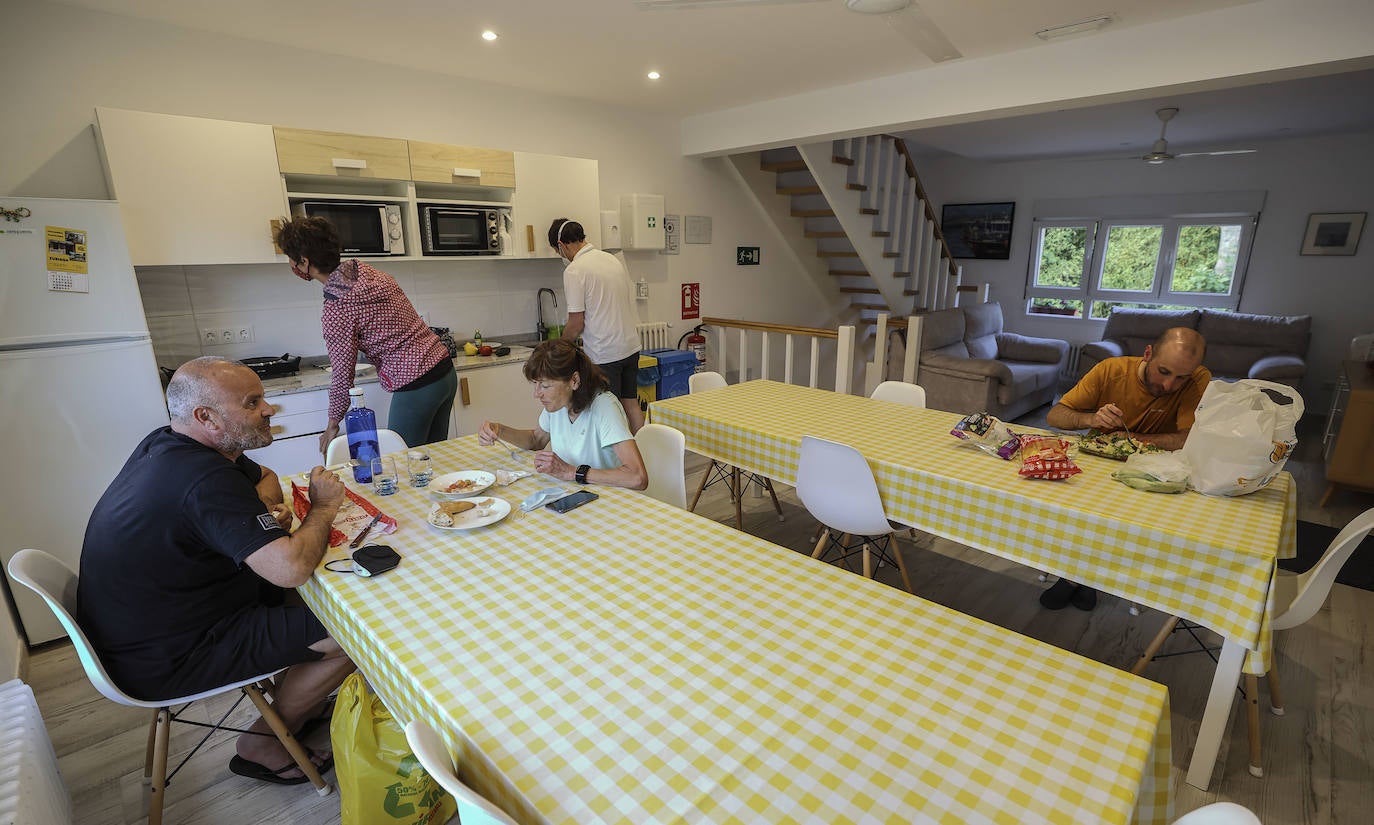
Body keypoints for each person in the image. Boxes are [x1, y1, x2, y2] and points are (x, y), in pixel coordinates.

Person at [78, 356, 356, 784]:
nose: (269, 409)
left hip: (157, 623)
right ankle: (264, 741)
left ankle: (300, 704)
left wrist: (258, 515)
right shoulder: (204, 479)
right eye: (252, 402)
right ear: (205, 416)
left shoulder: (172, 443)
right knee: (355, 630)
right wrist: (323, 508)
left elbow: (263, 477)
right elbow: (293, 568)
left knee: (318, 599)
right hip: (169, 655)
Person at [1039, 326, 1210, 611]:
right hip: (1100, 461)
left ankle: (1075, 579)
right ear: (1147, 355)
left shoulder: (1198, 379)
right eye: (1164, 371)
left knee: (1135, 516)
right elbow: (1055, 415)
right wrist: (1092, 418)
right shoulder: (1110, 370)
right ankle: (1086, 578)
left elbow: (1189, 438)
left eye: (1181, 377)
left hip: (1156, 470)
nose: (1169, 385)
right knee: (1085, 510)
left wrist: (1135, 439)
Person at [274, 216, 456, 452]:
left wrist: (332, 425)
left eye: (290, 257)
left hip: (416, 384)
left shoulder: (337, 307)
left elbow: (342, 374)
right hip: (444, 372)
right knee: (433, 458)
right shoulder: (367, 272)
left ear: (304, 261)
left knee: (400, 462)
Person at [477, 339, 648, 490]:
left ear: (574, 381)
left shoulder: (604, 406)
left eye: (545, 386)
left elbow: (637, 477)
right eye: (536, 384)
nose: (536, 394)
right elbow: (536, 440)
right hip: (574, 494)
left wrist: (572, 472)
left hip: (608, 500)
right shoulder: (558, 404)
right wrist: (499, 430)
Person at [549, 218, 645, 433]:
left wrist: (559, 348)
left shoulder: (575, 270)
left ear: (561, 245)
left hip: (605, 353)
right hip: (630, 347)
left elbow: (576, 322)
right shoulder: (611, 260)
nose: (561, 256)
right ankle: (643, 454)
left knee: (609, 411)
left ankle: (620, 462)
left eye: (558, 251)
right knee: (630, 402)